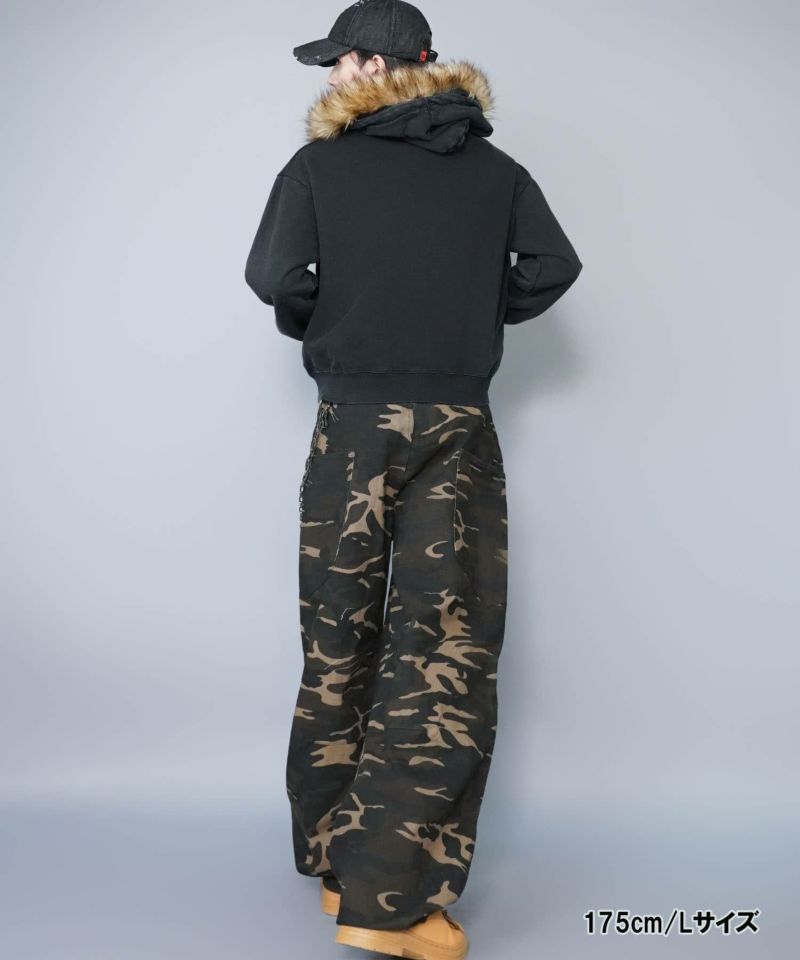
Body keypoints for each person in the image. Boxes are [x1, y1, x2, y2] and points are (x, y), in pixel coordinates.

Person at [244, 1, 582, 956]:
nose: (329, 79)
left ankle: (349, 880)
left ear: (374, 63)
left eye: (337, 62)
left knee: (338, 634)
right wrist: (463, 311)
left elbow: (276, 278)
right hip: (455, 424)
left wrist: (340, 324)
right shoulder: (497, 173)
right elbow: (552, 266)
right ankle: (383, 885)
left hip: (351, 425)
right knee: (442, 647)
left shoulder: (317, 167)